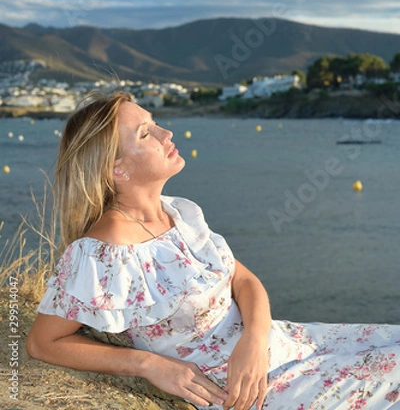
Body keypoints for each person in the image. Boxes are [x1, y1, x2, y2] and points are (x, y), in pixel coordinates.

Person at [27, 92, 400, 410]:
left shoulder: (178, 214)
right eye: (146, 133)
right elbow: (43, 342)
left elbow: (245, 280)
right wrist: (149, 365)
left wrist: (254, 340)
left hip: (283, 343)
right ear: (117, 170)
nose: (166, 132)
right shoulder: (101, 252)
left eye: (154, 122)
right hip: (256, 389)